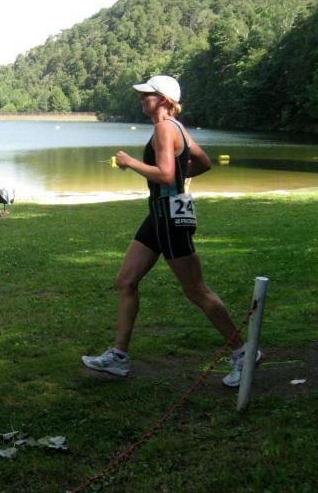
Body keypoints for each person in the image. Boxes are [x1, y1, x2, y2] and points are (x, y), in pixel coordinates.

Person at [81, 75, 261, 387]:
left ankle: (244, 353)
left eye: (147, 95)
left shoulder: (165, 128)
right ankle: (119, 357)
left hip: (169, 216)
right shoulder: (177, 127)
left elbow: (165, 175)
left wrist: (130, 162)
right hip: (160, 214)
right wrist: (178, 174)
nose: (141, 99)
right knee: (126, 281)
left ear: (163, 100)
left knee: (196, 289)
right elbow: (203, 163)